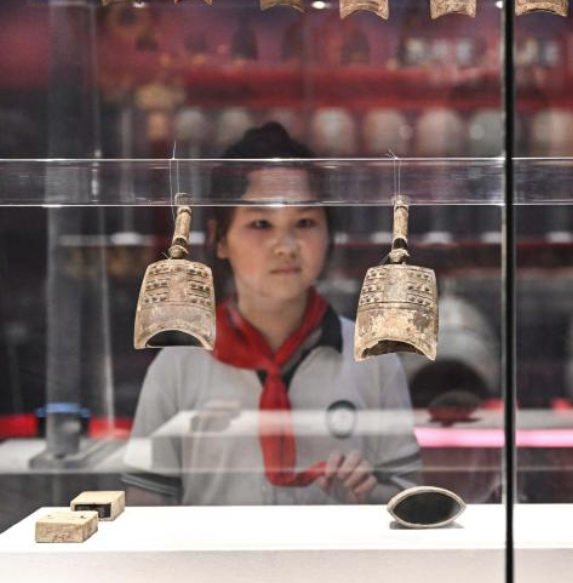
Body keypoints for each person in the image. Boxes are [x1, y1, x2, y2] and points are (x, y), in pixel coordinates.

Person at [123, 122, 421, 505]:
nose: (286, 245)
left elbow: (410, 500)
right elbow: (146, 505)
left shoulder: (372, 359)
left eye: (305, 222)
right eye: (260, 224)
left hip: (335, 565)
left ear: (330, 234)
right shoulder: (178, 364)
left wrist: (368, 491)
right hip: (213, 565)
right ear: (218, 239)